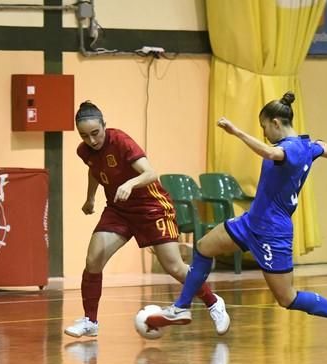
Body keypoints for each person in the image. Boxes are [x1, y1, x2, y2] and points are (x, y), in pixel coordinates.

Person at [147, 92, 327, 345]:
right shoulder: (306, 146)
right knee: (204, 248)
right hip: (251, 222)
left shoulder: (291, 148)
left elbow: (270, 153)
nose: (264, 133)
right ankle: (182, 306)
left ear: (276, 123)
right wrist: (317, 147)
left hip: (272, 232)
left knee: (287, 298)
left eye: (264, 126)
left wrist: (237, 132)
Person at [64, 101, 229, 338]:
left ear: (104, 126)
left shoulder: (121, 141)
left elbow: (151, 173)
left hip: (152, 208)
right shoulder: (85, 151)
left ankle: (214, 303)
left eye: (95, 133)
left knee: (173, 266)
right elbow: (94, 169)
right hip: (119, 210)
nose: (91, 140)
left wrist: (130, 184)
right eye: (84, 136)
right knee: (93, 260)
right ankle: (90, 321)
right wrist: (90, 198)